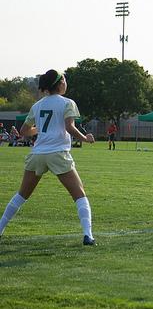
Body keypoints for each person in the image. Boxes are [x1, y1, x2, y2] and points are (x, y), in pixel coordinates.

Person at [0, 69, 97, 245]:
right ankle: (88, 235)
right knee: (79, 194)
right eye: (65, 80)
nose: (66, 83)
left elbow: (24, 132)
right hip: (58, 153)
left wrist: (42, 129)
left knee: (21, 195)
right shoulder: (68, 103)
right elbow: (69, 127)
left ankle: (0, 229)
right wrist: (85, 138)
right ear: (60, 84)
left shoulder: (37, 105)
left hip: (37, 154)